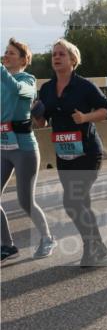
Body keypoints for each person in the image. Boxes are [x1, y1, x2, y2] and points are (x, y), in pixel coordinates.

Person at [32, 39, 107, 266]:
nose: (56, 57)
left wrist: (86, 118)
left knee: (72, 201)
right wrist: (37, 115)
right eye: (54, 54)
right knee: (80, 203)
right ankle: (99, 244)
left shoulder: (84, 86)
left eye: (61, 54)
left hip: (88, 151)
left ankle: (90, 247)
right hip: (64, 153)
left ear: (73, 60)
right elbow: (43, 122)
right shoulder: (47, 88)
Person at [1, 38, 56, 261]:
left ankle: (47, 238)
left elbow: (16, 91)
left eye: (11, 53)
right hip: (3, 146)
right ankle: (7, 245)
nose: (6, 55)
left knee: (25, 201)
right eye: (5, 51)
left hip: (24, 149)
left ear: (24, 60)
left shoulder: (28, 80)